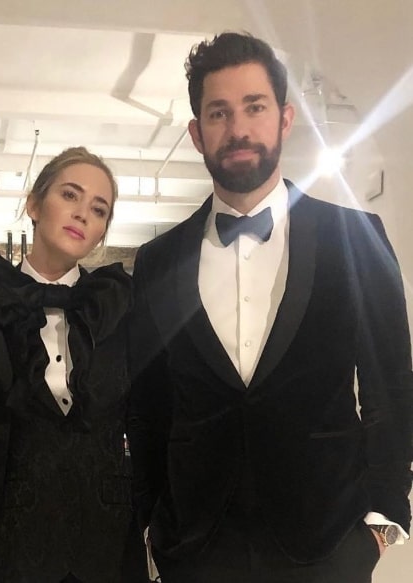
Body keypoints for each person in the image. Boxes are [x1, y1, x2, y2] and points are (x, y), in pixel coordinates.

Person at [128, 31, 412, 583]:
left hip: (329, 543)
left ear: (284, 118)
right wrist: (151, 522)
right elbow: (149, 407)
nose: (237, 129)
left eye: (253, 107)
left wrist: (381, 524)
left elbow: (390, 388)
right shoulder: (157, 261)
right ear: (196, 132)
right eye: (218, 113)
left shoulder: (357, 236)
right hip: (196, 547)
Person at [0, 146, 146, 582]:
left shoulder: (120, 306)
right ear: (33, 204)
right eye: (69, 195)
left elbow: (148, 417)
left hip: (108, 540)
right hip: (10, 538)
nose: (82, 214)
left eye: (99, 209)